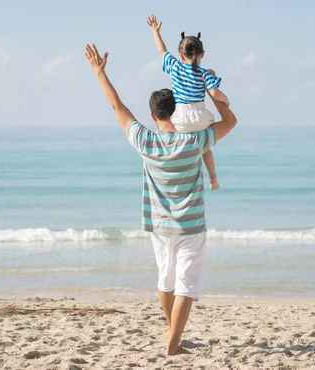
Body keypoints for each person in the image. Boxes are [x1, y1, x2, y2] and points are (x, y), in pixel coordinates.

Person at [84, 43, 237, 356]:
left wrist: (100, 74)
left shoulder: (145, 139)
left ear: (152, 115)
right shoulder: (194, 140)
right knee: (187, 285)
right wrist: (208, 88)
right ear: (176, 110)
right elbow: (230, 121)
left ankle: (173, 334)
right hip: (191, 226)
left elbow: (117, 107)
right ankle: (172, 343)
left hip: (158, 226)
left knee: (166, 281)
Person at [147, 14, 228, 191]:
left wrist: (155, 31)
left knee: (186, 143)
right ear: (202, 55)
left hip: (180, 121)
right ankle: (213, 179)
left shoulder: (175, 66)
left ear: (180, 55)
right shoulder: (204, 73)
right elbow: (215, 92)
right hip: (200, 117)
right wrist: (226, 101)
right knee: (205, 148)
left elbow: (162, 51)